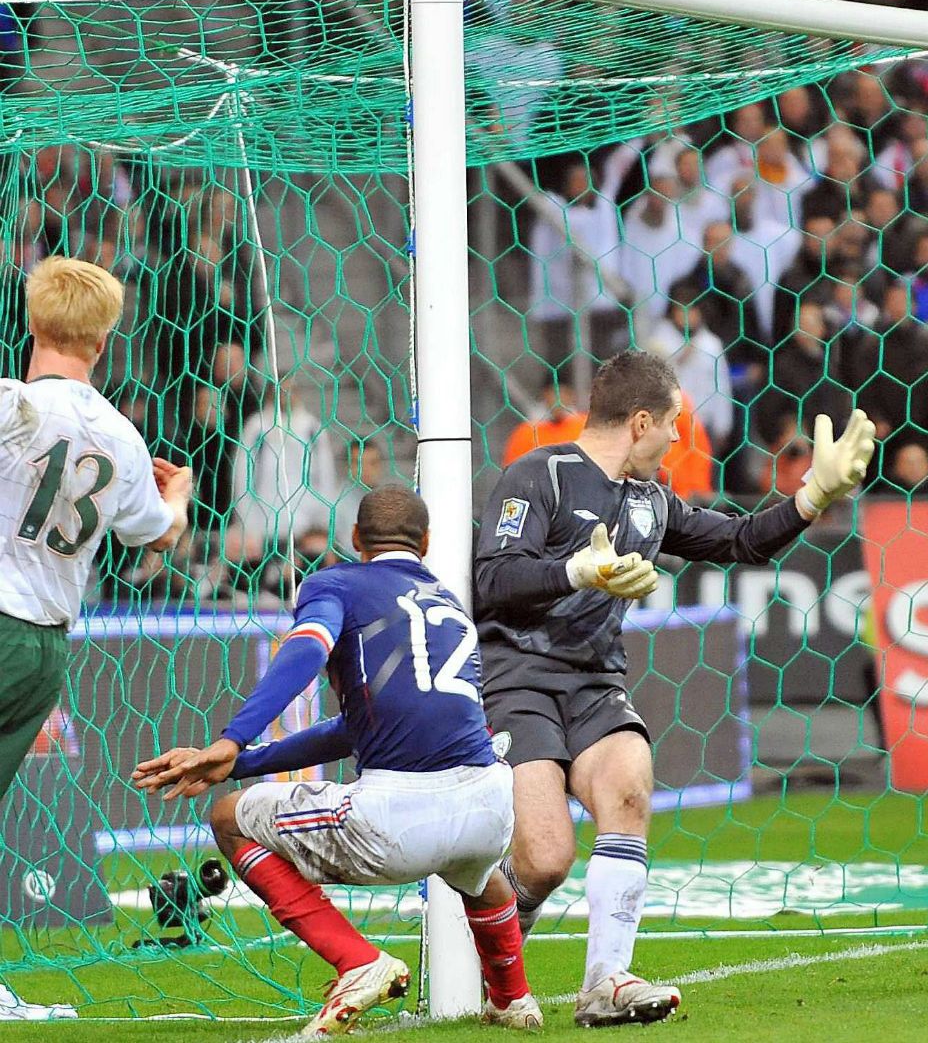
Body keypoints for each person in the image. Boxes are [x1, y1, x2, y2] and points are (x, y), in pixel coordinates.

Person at [473, 351, 874, 1026]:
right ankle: (485, 947)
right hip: (519, 679)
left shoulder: (652, 501)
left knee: (630, 784)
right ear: (638, 422)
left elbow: (742, 540)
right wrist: (576, 571)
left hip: (596, 681)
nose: (678, 439)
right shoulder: (537, 474)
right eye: (672, 424)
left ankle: (606, 980)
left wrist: (813, 497)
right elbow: (493, 581)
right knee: (544, 861)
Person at [131, 488, 540, 1034]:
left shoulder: (334, 582)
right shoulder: (449, 605)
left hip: (397, 816)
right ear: (425, 543)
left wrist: (233, 739)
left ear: (354, 541)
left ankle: (357, 961)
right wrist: (244, 762)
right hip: (490, 806)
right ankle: (513, 999)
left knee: (229, 818)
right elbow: (353, 729)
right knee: (480, 875)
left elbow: (306, 647)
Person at [0, 257, 191, 1021]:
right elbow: (160, 534)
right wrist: (176, 494)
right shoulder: (120, 436)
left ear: (32, 324)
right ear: (105, 343)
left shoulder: (14, 404)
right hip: (43, 646)